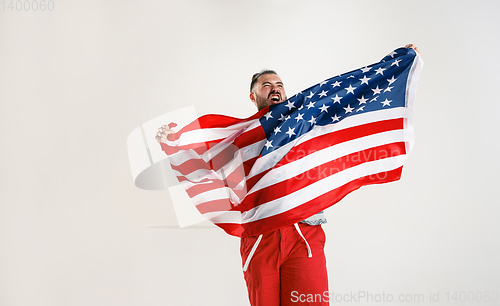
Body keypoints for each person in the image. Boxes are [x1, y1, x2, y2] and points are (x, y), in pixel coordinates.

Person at [155, 44, 420, 306]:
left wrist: (394, 63)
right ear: (253, 96)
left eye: (279, 84)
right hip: (261, 237)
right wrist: (174, 143)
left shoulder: (303, 120)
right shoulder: (240, 139)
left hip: (304, 233)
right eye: (266, 85)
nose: (274, 88)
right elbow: (207, 165)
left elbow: (347, 97)